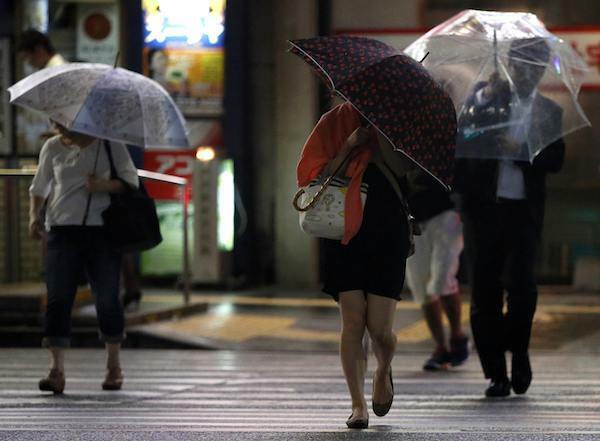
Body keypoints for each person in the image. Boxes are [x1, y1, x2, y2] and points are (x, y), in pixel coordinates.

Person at [455, 38, 565, 397]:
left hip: (523, 213)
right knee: (485, 291)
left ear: (541, 69)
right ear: (510, 64)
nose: (526, 73)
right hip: (483, 210)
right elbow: (464, 134)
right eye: (520, 65)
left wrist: (521, 153)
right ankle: (495, 373)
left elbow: (556, 160)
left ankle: (519, 351)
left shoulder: (550, 111)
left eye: (534, 67)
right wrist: (485, 96)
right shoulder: (488, 100)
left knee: (522, 289)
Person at [297, 101, 413, 429]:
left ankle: (382, 371)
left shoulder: (397, 121)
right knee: (352, 322)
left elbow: (408, 172)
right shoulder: (333, 122)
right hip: (342, 230)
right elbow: (312, 173)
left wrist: (381, 141)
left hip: (387, 230)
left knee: (381, 330)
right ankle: (357, 405)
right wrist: (349, 145)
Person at [29, 122, 139, 394]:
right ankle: (56, 371)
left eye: (64, 122)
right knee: (57, 299)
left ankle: (114, 366)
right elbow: (39, 186)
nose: (58, 126)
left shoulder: (110, 145)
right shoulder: (52, 147)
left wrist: (103, 185)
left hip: (101, 232)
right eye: (56, 121)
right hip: (61, 231)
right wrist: (34, 217)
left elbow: (131, 182)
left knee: (107, 299)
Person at [405, 173, 469, 371]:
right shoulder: (401, 145)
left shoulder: (448, 143)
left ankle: (457, 335)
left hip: (446, 211)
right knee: (421, 286)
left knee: (442, 278)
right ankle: (440, 346)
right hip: (412, 216)